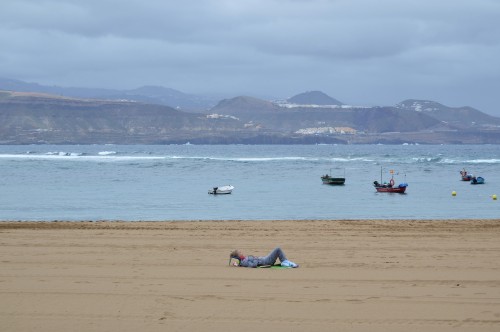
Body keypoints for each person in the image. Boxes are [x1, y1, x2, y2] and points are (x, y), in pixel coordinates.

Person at [229, 247, 298, 268]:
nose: (242, 253)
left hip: (263, 259)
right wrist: (256, 259)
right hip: (265, 261)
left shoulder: (243, 261)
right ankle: (285, 262)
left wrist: (237, 265)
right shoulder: (244, 262)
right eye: (240, 253)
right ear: (238, 256)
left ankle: (286, 262)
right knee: (278, 249)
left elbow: (240, 264)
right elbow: (253, 265)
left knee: (277, 250)